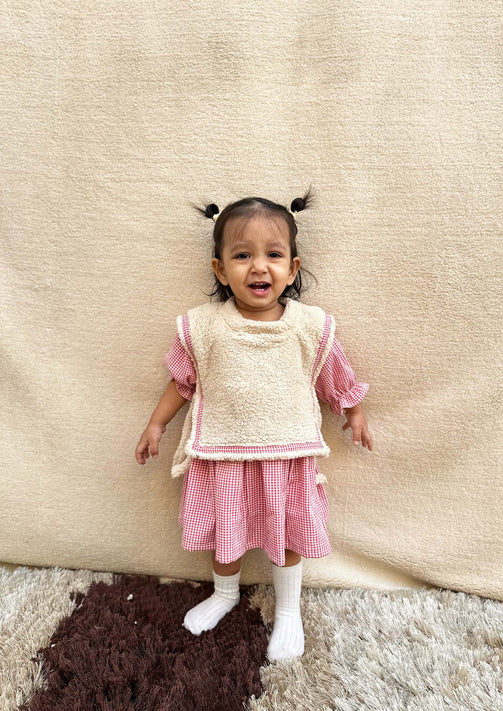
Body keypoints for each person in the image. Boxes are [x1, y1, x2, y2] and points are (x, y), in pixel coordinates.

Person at [135, 191, 373, 662]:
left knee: (287, 535)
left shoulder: (309, 326)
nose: (259, 267)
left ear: (293, 268)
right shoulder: (204, 327)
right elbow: (182, 381)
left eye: (274, 255)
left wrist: (353, 410)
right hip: (223, 453)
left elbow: (333, 373)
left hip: (287, 456)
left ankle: (288, 610)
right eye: (242, 256)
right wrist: (155, 424)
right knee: (226, 533)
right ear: (221, 269)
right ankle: (224, 593)